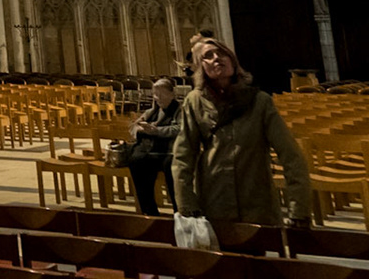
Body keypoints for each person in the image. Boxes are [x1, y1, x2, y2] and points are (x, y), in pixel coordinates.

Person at [173, 37, 312, 226]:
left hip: (256, 203)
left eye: (222, 53)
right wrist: (187, 206)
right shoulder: (194, 102)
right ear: (200, 67)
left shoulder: (259, 101)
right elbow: (183, 157)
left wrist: (299, 210)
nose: (217, 58)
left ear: (233, 60)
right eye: (208, 56)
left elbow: (290, 155)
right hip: (215, 203)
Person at [126, 78, 181, 215]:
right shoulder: (151, 111)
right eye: (155, 95)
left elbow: (180, 129)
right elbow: (133, 127)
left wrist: (157, 131)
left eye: (161, 94)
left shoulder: (180, 110)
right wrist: (139, 129)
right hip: (151, 151)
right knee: (136, 161)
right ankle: (149, 211)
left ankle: (178, 211)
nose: (157, 98)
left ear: (172, 94)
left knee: (172, 166)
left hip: (170, 151)